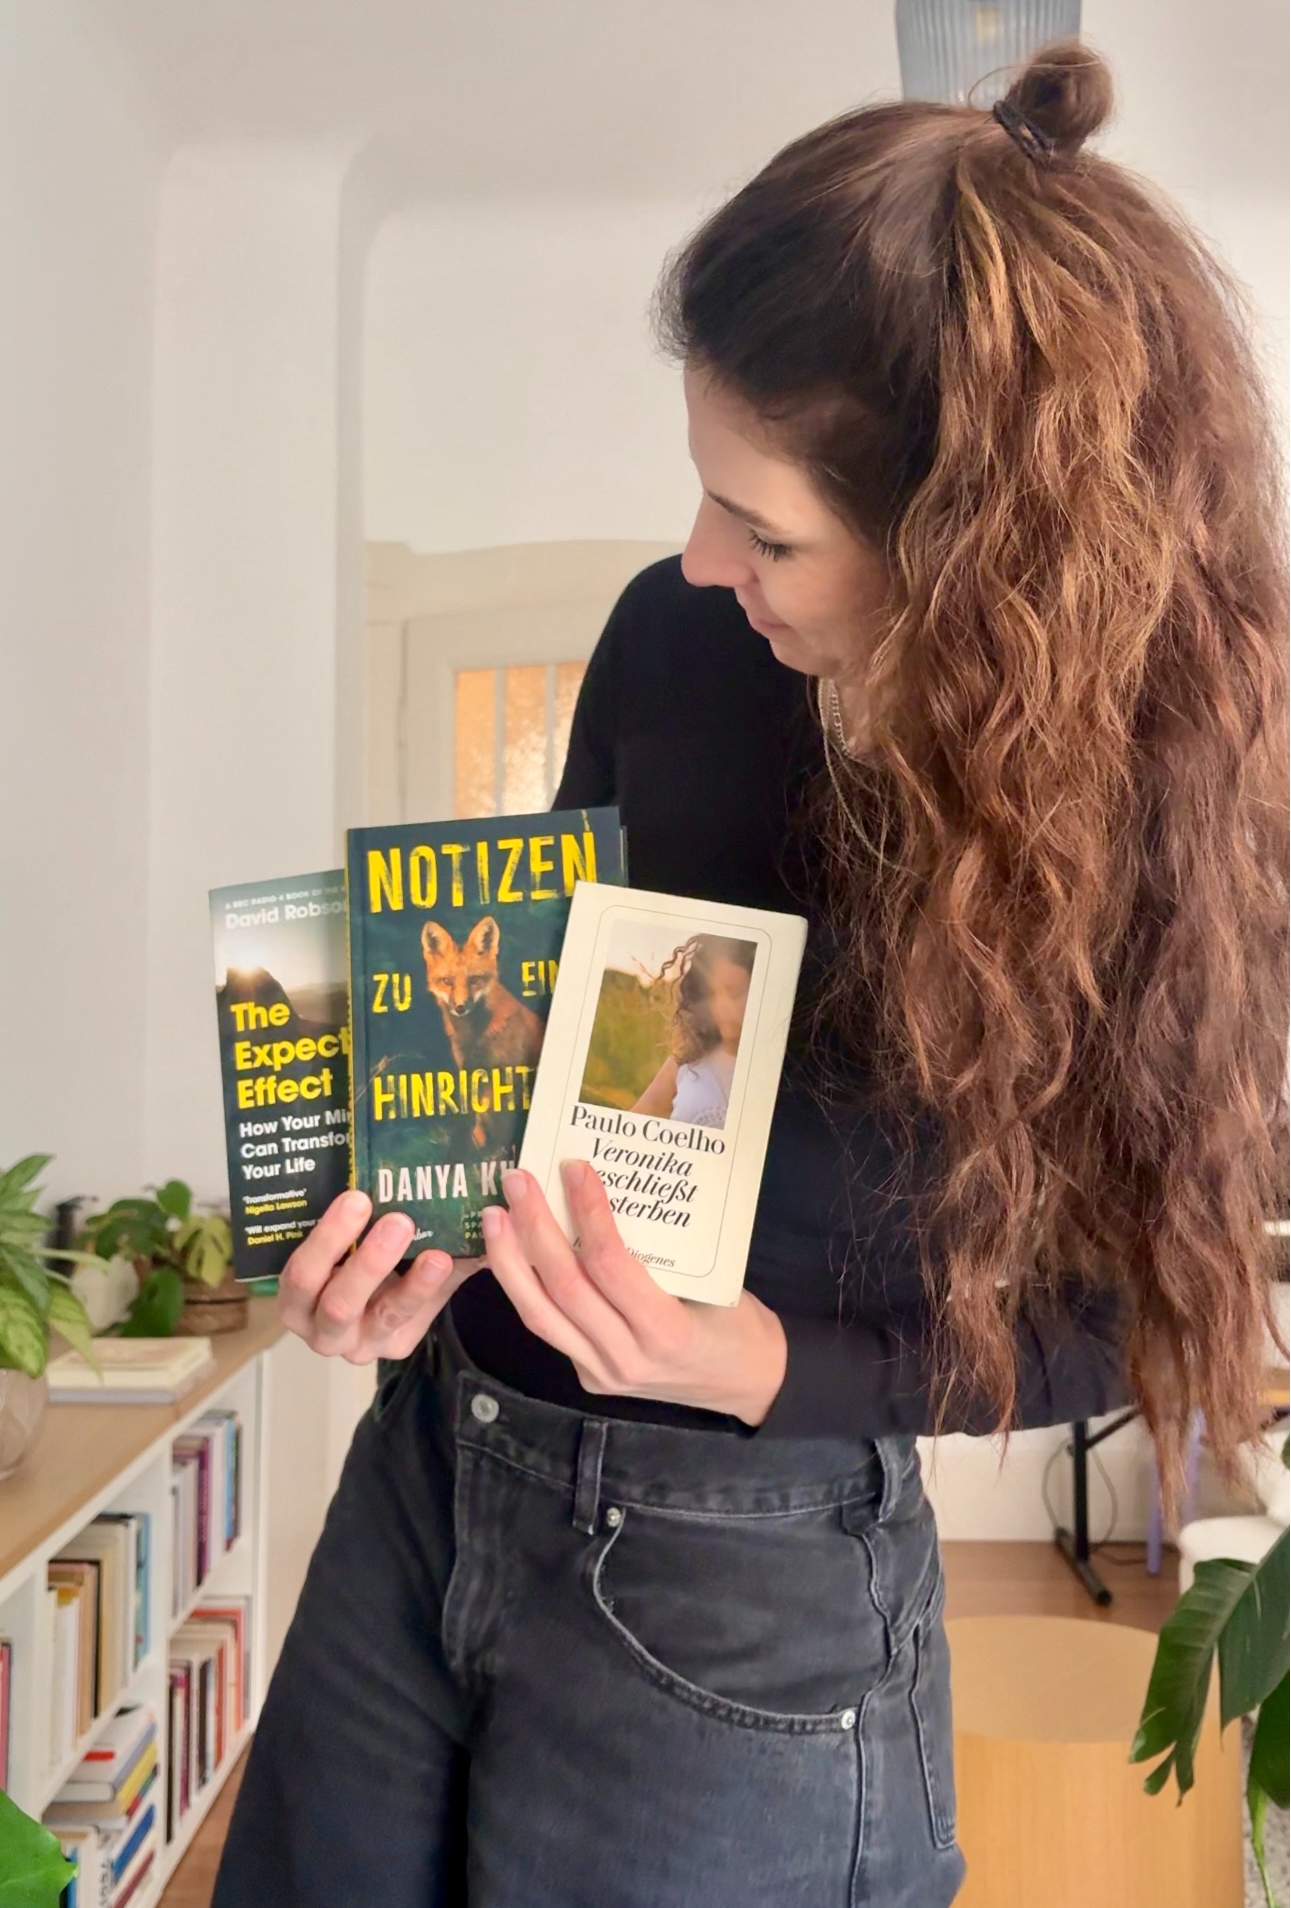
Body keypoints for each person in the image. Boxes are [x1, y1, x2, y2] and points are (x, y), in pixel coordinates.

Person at [213, 41, 1289, 1908]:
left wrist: (769, 1361)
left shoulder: (1177, 813)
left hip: (748, 1561)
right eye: (704, 492)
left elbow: (1139, 1312)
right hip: (436, 1458)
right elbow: (547, 1040)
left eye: (767, 528)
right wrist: (406, 1245)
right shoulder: (674, 636)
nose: (700, 559)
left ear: (971, 548)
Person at [630, 934, 755, 1127]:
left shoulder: (785, 1073)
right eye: (711, 994)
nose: (721, 1007)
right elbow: (630, 1126)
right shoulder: (687, 1058)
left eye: (734, 992)